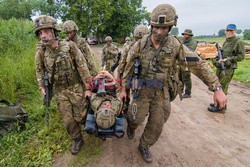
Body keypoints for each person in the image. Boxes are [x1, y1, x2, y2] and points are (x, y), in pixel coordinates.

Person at [120, 4, 227, 163]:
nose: (159, 32)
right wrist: (123, 89)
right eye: (156, 27)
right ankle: (132, 127)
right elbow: (127, 67)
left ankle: (144, 145)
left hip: (161, 92)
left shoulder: (175, 45)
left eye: (164, 28)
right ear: (151, 25)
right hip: (141, 90)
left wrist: (217, 88)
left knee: (157, 123)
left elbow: (198, 64)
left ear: (171, 27)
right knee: (134, 117)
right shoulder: (140, 44)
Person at [34, 15, 91, 154]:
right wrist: (42, 87)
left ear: (54, 32)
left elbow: (83, 67)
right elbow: (39, 70)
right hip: (59, 91)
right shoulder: (41, 52)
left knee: (80, 116)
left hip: (76, 87)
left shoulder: (70, 46)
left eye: (46, 32)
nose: (43, 36)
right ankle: (77, 139)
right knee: (68, 121)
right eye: (40, 33)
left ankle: (90, 125)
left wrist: (88, 88)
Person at [208, 24, 245, 112]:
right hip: (221, 67)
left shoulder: (238, 42)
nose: (228, 32)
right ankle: (217, 102)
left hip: (228, 68)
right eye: (227, 30)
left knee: (223, 87)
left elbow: (241, 57)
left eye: (231, 31)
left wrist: (227, 59)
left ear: (235, 31)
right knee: (218, 86)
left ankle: (221, 108)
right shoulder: (227, 41)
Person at [179, 29, 198, 98]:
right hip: (181, 61)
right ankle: (180, 90)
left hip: (188, 61)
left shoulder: (193, 42)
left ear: (190, 35)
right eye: (184, 34)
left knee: (186, 77)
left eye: (186, 34)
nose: (184, 35)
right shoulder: (183, 41)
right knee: (180, 76)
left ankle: (188, 92)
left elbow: (190, 50)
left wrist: (182, 48)